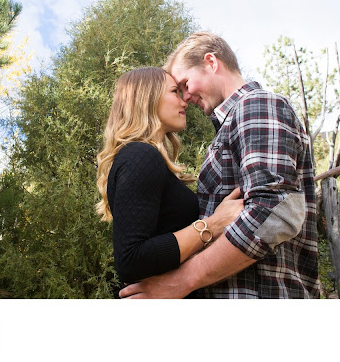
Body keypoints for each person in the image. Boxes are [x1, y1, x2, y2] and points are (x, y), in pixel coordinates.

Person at [119, 32, 320, 298]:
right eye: (177, 91)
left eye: (185, 84)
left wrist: (181, 282)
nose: (186, 97)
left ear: (211, 62)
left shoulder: (255, 105)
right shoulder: (234, 123)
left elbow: (274, 213)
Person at [96, 67, 243, 297]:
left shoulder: (142, 158)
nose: (184, 100)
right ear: (148, 98)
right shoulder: (140, 156)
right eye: (175, 91)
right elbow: (131, 259)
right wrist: (213, 224)